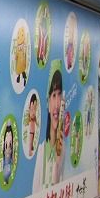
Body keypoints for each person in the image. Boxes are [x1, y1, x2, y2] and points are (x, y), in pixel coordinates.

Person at [33, 60, 64, 190]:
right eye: (53, 95)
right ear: (47, 102)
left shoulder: (64, 149)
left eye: (59, 95)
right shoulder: (41, 151)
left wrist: (58, 163)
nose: (57, 104)